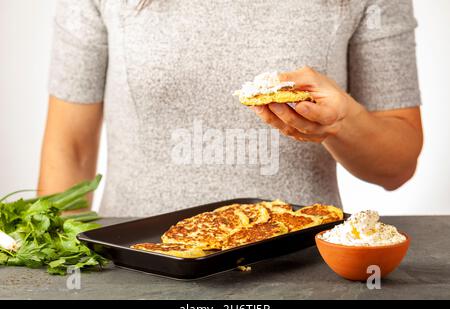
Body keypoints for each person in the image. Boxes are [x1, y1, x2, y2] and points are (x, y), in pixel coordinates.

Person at [38, 0, 423, 217]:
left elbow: (398, 165)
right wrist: (66, 272)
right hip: (135, 270)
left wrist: (341, 122)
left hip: (302, 272)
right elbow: (70, 149)